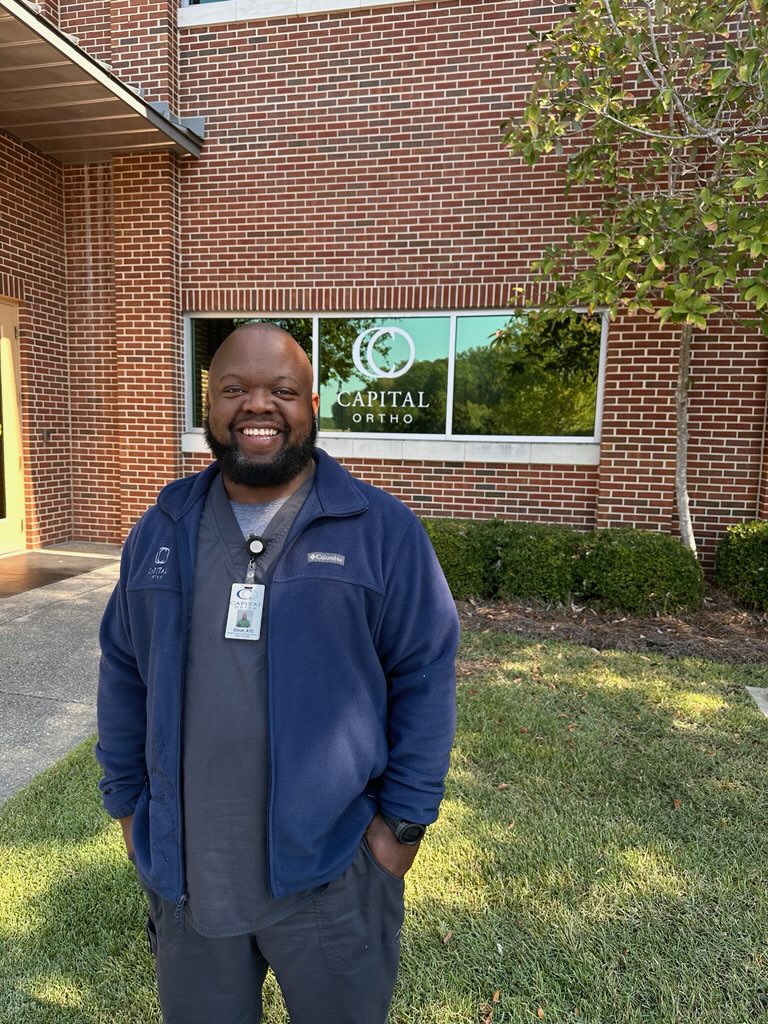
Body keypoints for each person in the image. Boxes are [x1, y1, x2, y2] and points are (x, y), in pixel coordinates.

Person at [95, 323, 460, 1024]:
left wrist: (401, 830)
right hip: (191, 879)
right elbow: (123, 668)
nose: (257, 406)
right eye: (234, 389)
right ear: (208, 404)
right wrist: (127, 805)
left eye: (280, 390)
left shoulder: (380, 530)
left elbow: (425, 671)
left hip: (335, 876)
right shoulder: (161, 529)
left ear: (313, 404)